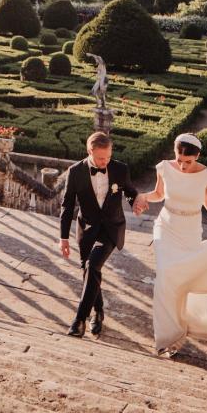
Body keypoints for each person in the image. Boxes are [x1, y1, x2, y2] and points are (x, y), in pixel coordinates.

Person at [136, 133, 207, 362]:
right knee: (166, 278)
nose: (182, 165)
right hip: (165, 228)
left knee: (182, 280)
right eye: (179, 159)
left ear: (197, 156)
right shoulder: (165, 168)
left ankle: (183, 327)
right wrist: (142, 196)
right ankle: (167, 339)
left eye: (187, 161)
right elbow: (159, 194)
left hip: (189, 232)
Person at [59, 132, 139, 338]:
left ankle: (79, 319)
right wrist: (64, 238)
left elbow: (130, 191)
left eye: (108, 157)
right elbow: (67, 206)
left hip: (111, 228)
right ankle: (99, 312)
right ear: (89, 152)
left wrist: (136, 202)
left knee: (93, 265)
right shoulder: (75, 172)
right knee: (89, 272)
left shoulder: (120, 169)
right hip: (86, 228)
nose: (105, 162)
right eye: (100, 158)